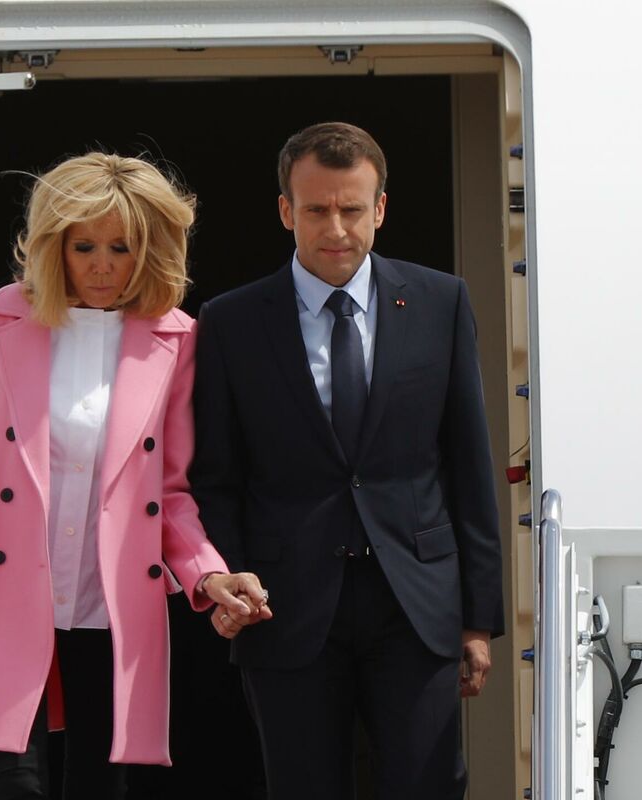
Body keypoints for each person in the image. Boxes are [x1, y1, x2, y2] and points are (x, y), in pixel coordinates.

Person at [0, 152, 271, 800]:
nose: (102, 265)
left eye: (120, 248)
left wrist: (208, 574)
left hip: (111, 602)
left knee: (101, 786)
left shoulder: (177, 339)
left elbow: (171, 493)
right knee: (15, 786)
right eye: (85, 247)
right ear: (56, 246)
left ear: (148, 250)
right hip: (4, 594)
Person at [190, 122, 504, 799]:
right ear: (286, 211)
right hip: (284, 605)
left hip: (416, 603)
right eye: (316, 209)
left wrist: (479, 617)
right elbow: (216, 476)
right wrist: (228, 574)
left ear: (380, 209)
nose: (335, 228)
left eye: (352, 209)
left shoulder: (441, 302)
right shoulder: (231, 321)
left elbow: (468, 465)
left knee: (427, 787)